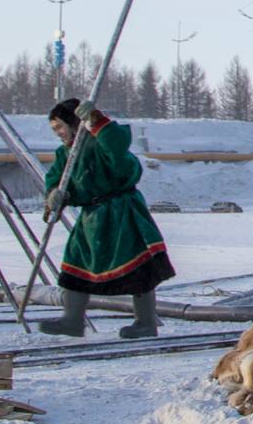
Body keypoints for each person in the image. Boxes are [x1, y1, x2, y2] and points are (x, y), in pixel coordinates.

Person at [37, 96, 174, 338]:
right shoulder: (64, 154)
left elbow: (118, 147)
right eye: (54, 129)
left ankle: (145, 322)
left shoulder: (101, 142)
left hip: (120, 213)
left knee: (137, 266)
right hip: (90, 217)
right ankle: (72, 320)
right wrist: (54, 195)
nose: (57, 132)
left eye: (59, 126)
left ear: (72, 123)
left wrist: (96, 120)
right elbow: (56, 179)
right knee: (76, 263)